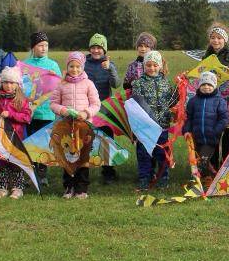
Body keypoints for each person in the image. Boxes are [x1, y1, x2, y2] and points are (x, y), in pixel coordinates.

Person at [49, 52, 101, 199]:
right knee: (68, 157)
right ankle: (68, 187)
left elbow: (96, 104)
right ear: (67, 66)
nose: (75, 69)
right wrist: (63, 110)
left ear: (82, 67)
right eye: (72, 66)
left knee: (82, 158)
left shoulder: (88, 84)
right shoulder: (61, 84)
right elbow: (53, 104)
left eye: (78, 66)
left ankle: (81, 189)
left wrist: (86, 113)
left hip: (84, 128)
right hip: (66, 128)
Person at [131, 50, 179, 190]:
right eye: (149, 65)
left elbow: (173, 101)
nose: (152, 68)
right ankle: (145, 178)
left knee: (162, 153)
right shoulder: (138, 84)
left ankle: (163, 178)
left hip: (162, 126)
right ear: (144, 66)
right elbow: (136, 103)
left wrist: (179, 87)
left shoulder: (166, 83)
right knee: (144, 154)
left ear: (160, 66)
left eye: (155, 65)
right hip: (145, 127)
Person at [24, 31, 61, 187]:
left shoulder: (52, 65)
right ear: (34, 47)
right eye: (40, 45)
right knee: (29, 142)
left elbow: (60, 85)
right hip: (30, 112)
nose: (44, 48)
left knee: (43, 143)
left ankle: (42, 173)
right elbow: (22, 84)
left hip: (46, 113)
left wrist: (55, 77)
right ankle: (30, 172)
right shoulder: (26, 64)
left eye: (46, 45)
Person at [202, 24, 229, 161]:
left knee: (226, 134)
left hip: (228, 102)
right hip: (210, 102)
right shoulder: (207, 55)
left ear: (224, 40)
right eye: (213, 38)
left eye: (219, 38)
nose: (216, 41)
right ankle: (211, 167)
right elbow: (200, 74)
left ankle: (226, 164)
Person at [84, 33, 120, 185]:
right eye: (93, 47)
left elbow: (116, 84)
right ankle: (82, 171)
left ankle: (108, 172)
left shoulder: (108, 64)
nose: (96, 50)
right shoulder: (84, 63)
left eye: (99, 48)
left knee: (107, 141)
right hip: (86, 109)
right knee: (85, 141)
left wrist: (110, 68)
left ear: (104, 50)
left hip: (105, 110)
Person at [0, 66, 33, 199]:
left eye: (12, 82)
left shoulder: (22, 99)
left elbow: (27, 117)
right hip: (1, 136)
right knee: (1, 161)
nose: (8, 85)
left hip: (16, 136)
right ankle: (3, 188)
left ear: (17, 84)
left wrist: (10, 114)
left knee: (15, 162)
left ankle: (17, 188)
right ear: (2, 83)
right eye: (6, 82)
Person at [182, 71, 229, 180]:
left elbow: (224, 118)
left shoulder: (219, 101)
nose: (206, 87)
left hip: (211, 137)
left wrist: (215, 131)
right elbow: (189, 118)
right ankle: (209, 177)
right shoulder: (193, 101)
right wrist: (186, 130)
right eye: (203, 84)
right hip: (196, 137)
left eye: (209, 84)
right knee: (201, 158)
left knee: (203, 159)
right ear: (199, 86)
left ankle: (195, 179)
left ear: (214, 85)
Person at [123, 32, 157, 97]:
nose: (143, 49)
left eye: (147, 46)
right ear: (137, 47)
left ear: (151, 49)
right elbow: (125, 85)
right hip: (135, 101)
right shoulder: (132, 66)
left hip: (152, 100)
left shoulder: (155, 65)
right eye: (140, 46)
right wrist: (134, 85)